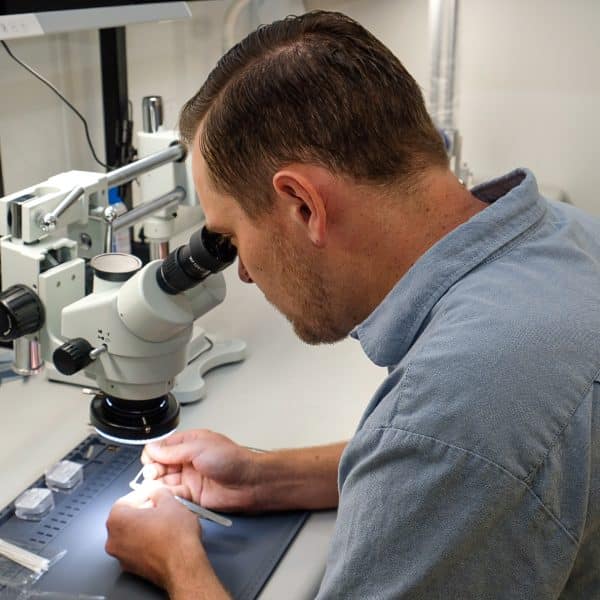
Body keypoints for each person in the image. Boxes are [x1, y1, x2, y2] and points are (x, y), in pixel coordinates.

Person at [105, 10, 600, 599]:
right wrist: (261, 478)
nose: (241, 270)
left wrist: (175, 559)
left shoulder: (461, 406)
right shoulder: (565, 234)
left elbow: (452, 449)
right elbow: (450, 469)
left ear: (303, 205)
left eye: (233, 237)